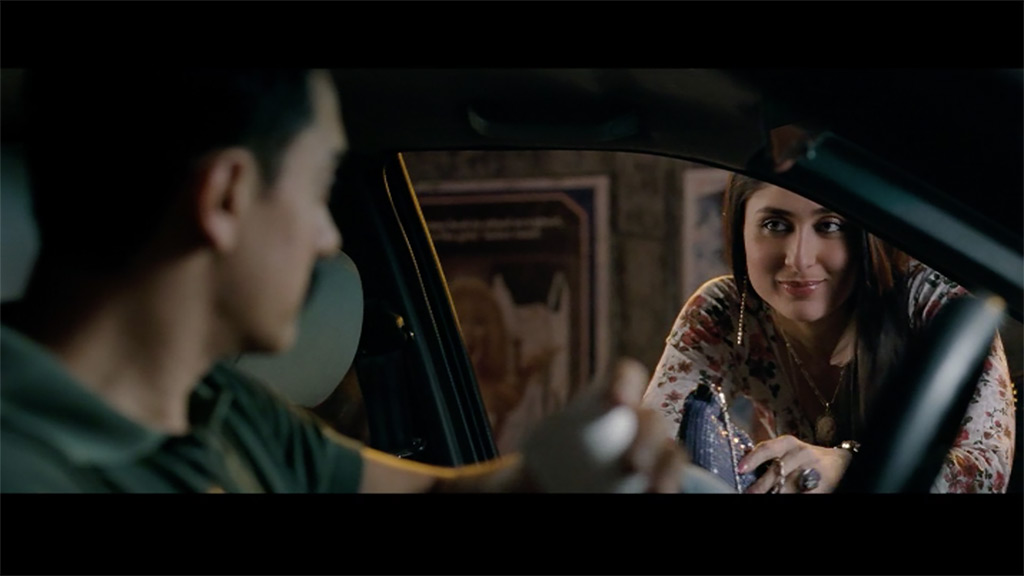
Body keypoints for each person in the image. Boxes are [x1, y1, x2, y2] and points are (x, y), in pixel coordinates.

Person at [0, 68, 685, 494]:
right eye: (320, 185)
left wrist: (547, 473)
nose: (330, 239)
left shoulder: (221, 407)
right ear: (227, 198)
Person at [642, 172, 1016, 493]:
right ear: (739, 230)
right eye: (775, 224)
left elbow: (986, 473)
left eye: (830, 226)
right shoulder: (725, 309)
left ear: (865, 235)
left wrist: (843, 467)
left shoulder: (930, 300)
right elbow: (647, 451)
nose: (798, 259)